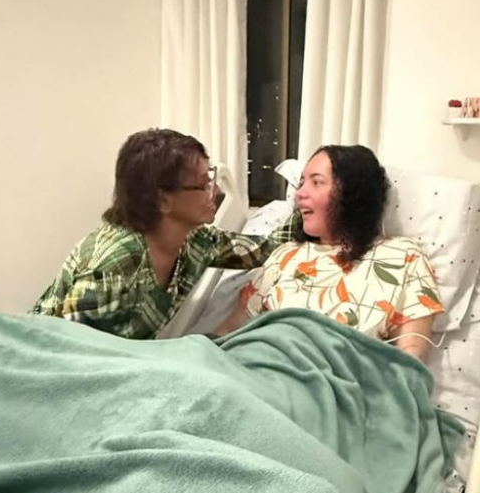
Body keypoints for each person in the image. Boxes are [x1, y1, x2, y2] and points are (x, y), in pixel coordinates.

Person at [32, 128, 298, 340]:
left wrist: (308, 206)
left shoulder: (196, 242)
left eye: (212, 179)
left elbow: (264, 249)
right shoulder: (114, 266)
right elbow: (66, 351)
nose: (215, 192)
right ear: (162, 201)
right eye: (203, 185)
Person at [216, 145, 444, 361]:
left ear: (352, 194)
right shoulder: (285, 255)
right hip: (255, 369)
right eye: (301, 183)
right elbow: (228, 333)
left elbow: (411, 361)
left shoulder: (402, 257)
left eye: (316, 182)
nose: (300, 193)